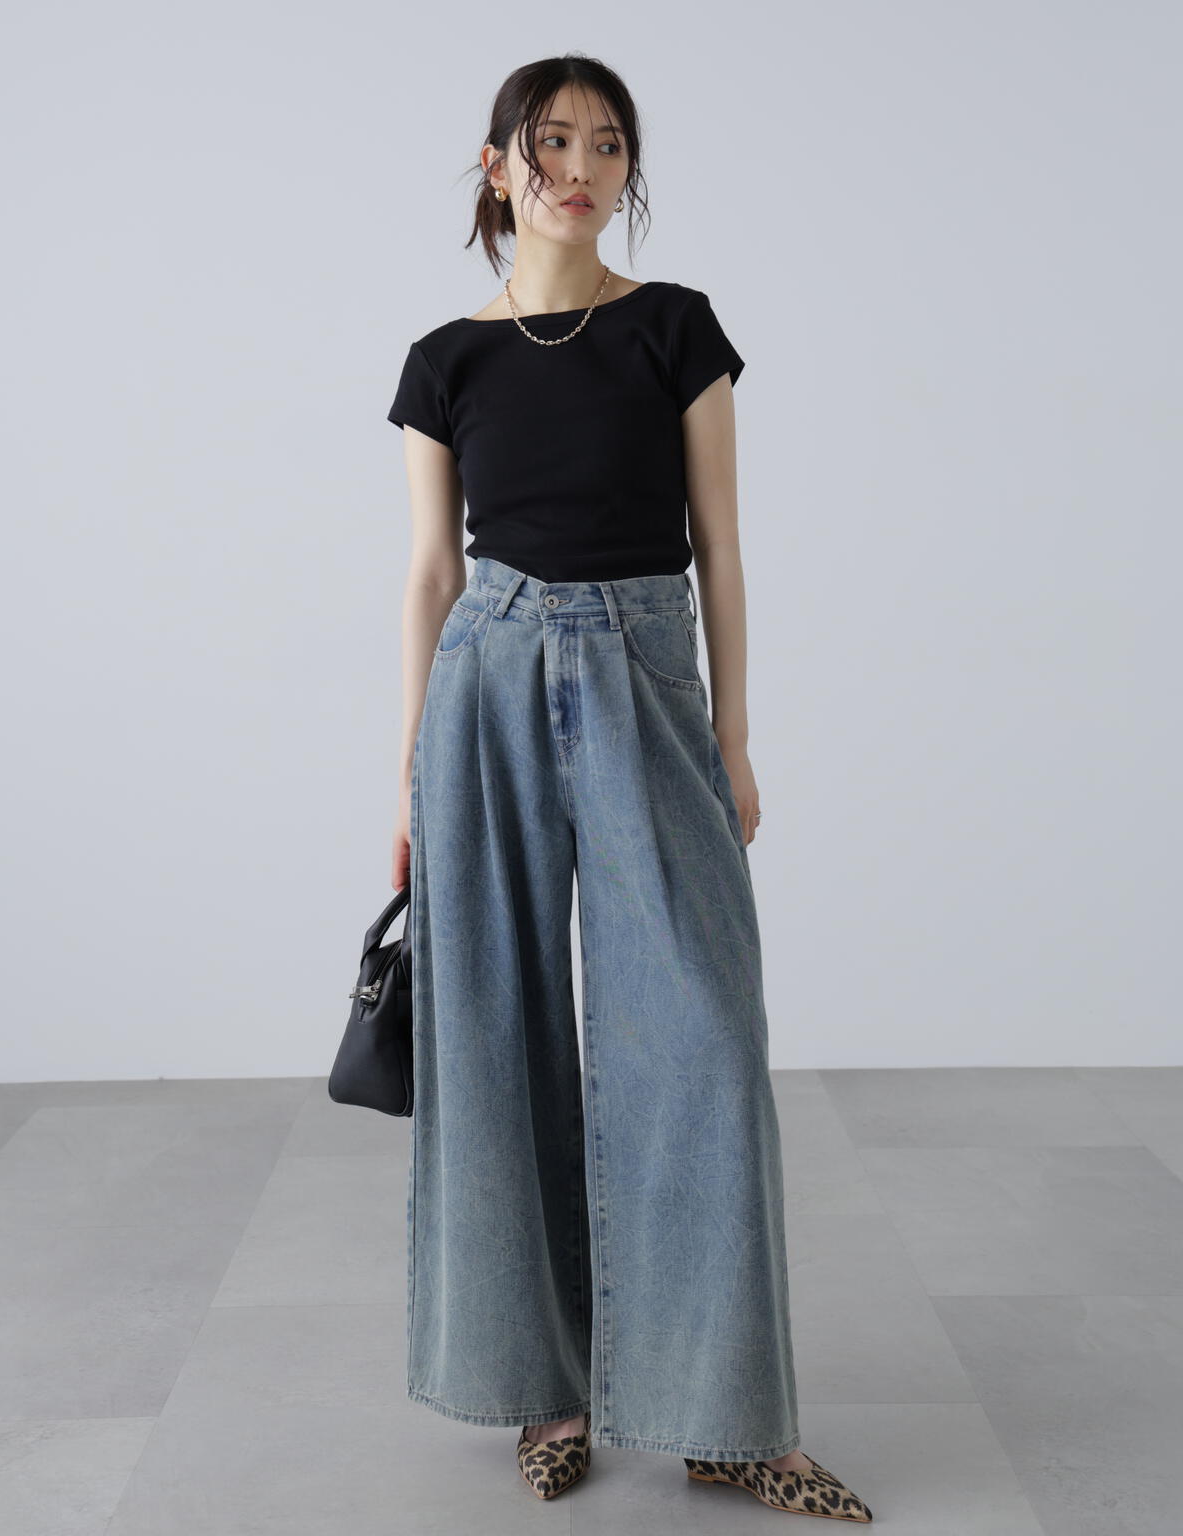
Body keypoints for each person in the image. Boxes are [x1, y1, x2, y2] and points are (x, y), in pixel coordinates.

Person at [384, 53, 873, 1524]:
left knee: (703, 1037)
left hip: (644, 665)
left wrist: (734, 736)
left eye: (607, 145)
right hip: (486, 677)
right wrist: (408, 776)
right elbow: (430, 572)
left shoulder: (675, 328)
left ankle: (729, 1421)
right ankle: (549, 1388)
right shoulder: (443, 361)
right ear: (495, 166)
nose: (579, 169)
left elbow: (721, 544)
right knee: (500, 1033)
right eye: (549, 143)